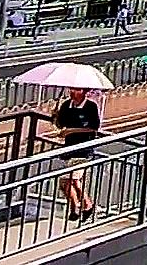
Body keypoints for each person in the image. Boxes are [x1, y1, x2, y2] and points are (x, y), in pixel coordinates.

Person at [52, 87, 103, 221]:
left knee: (72, 179)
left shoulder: (90, 106)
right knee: (66, 183)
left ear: (84, 91)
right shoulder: (66, 105)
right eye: (71, 89)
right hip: (69, 149)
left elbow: (94, 127)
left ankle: (80, 207)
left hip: (84, 150)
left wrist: (71, 131)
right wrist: (56, 117)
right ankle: (83, 206)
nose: (73, 92)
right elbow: (60, 124)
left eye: (77, 90)